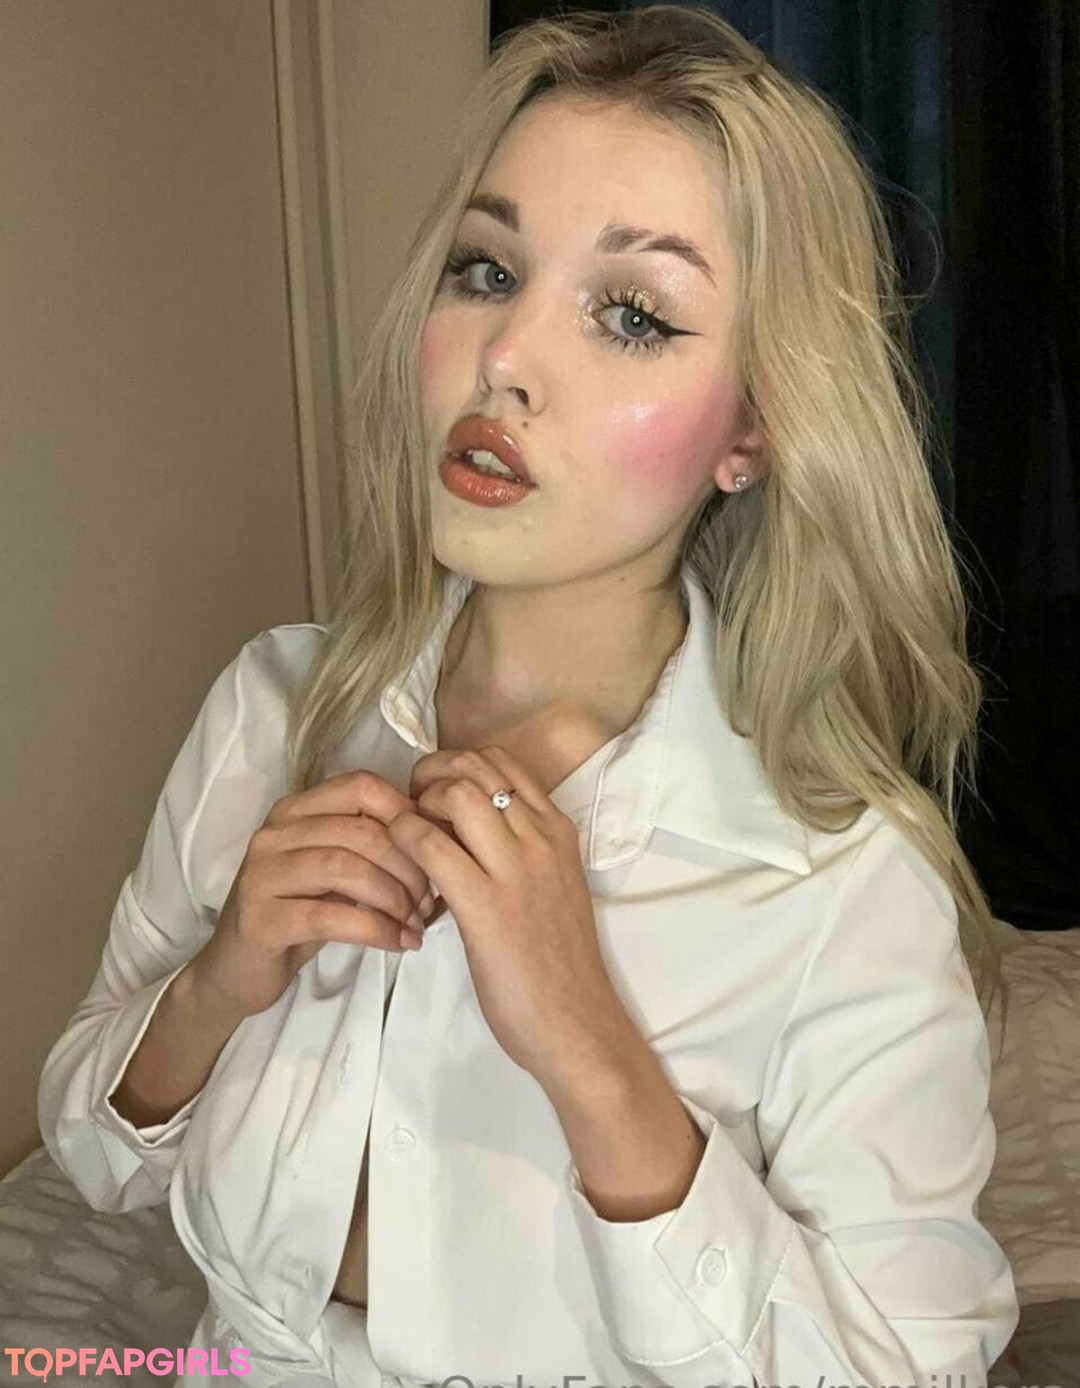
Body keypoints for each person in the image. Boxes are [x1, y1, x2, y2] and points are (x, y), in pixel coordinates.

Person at [38, 6, 1019, 1387]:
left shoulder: (842, 888)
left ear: (753, 426)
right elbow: (93, 1155)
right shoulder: (271, 709)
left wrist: (594, 1053)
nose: (505, 355)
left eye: (633, 314)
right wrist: (216, 986)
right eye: (486, 269)